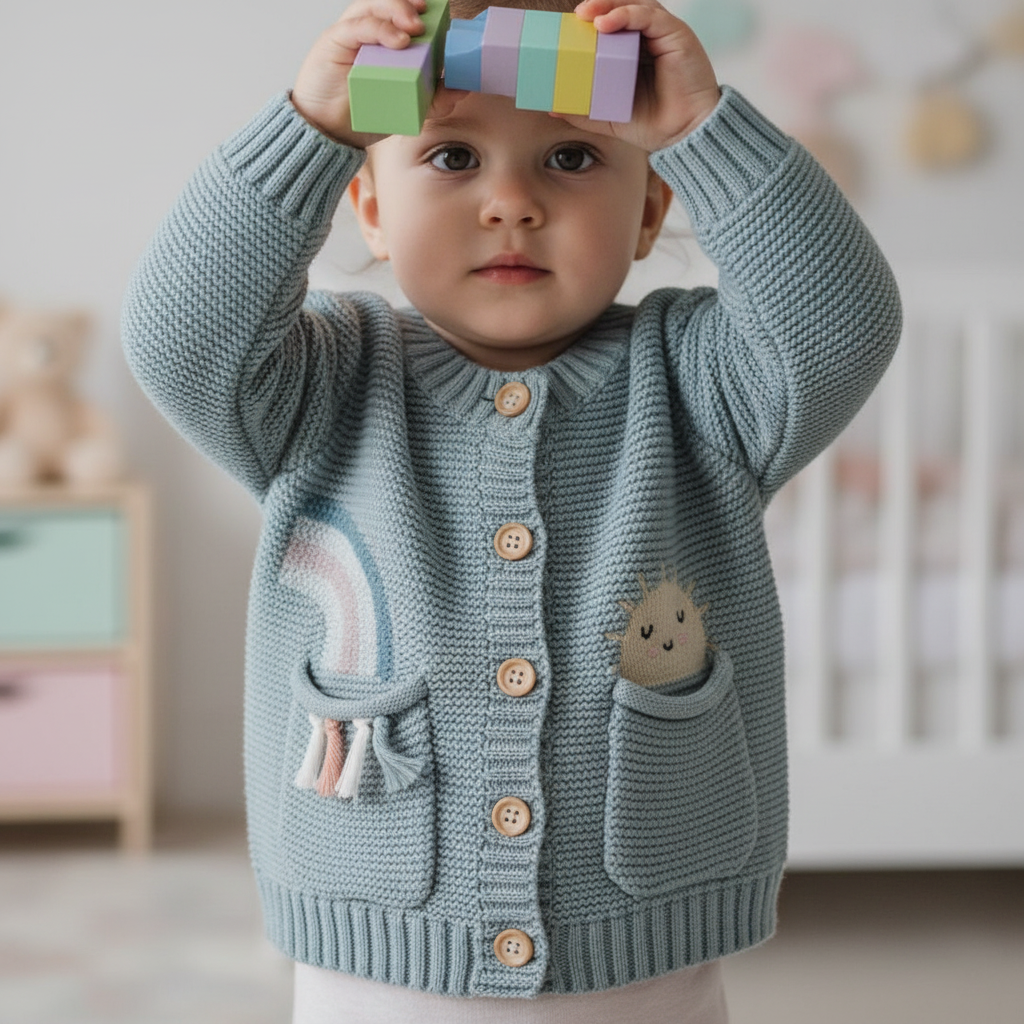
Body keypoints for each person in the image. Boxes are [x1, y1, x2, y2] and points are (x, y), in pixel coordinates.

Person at [122, 0, 902, 1020]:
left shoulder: (704, 384)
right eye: (451, 157)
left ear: (651, 211)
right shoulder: (319, 385)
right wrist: (306, 131)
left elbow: (843, 323)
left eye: (572, 158)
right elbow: (178, 335)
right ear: (368, 207)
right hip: (379, 954)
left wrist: (702, 127)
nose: (511, 203)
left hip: (642, 955)